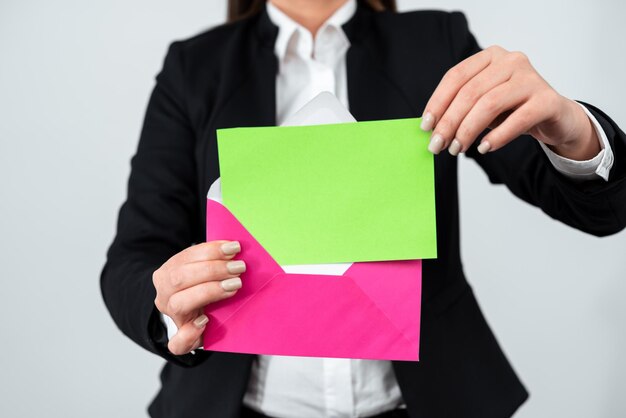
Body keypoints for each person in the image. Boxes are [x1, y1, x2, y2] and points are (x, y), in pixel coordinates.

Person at [100, 0, 626, 417]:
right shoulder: (195, 67)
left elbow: (597, 210)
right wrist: (168, 304)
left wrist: (571, 129)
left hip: (426, 399)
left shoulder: (433, 43)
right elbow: (134, 257)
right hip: (239, 404)